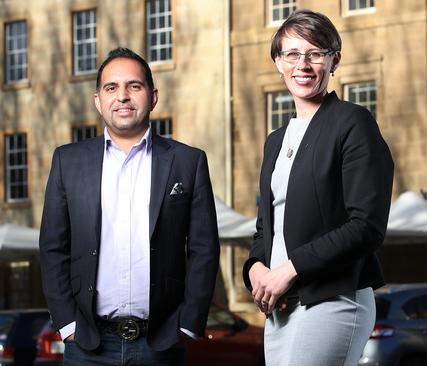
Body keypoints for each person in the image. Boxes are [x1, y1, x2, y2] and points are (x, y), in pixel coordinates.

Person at [39, 47, 220, 365]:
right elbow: (53, 248)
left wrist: (189, 324)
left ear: (153, 96)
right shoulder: (68, 161)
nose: (122, 96)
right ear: (98, 101)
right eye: (111, 87)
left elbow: (204, 249)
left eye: (134, 86)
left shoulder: (188, 162)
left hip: (161, 343)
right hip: (87, 346)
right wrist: (67, 324)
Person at [241, 9, 394, 366]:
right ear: (278, 62)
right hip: (280, 307)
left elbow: (366, 226)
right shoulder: (275, 140)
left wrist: (288, 269)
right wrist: (255, 270)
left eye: (315, 54)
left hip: (334, 300)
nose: (303, 64)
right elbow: (266, 227)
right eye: (293, 54)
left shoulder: (353, 123)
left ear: (334, 60)